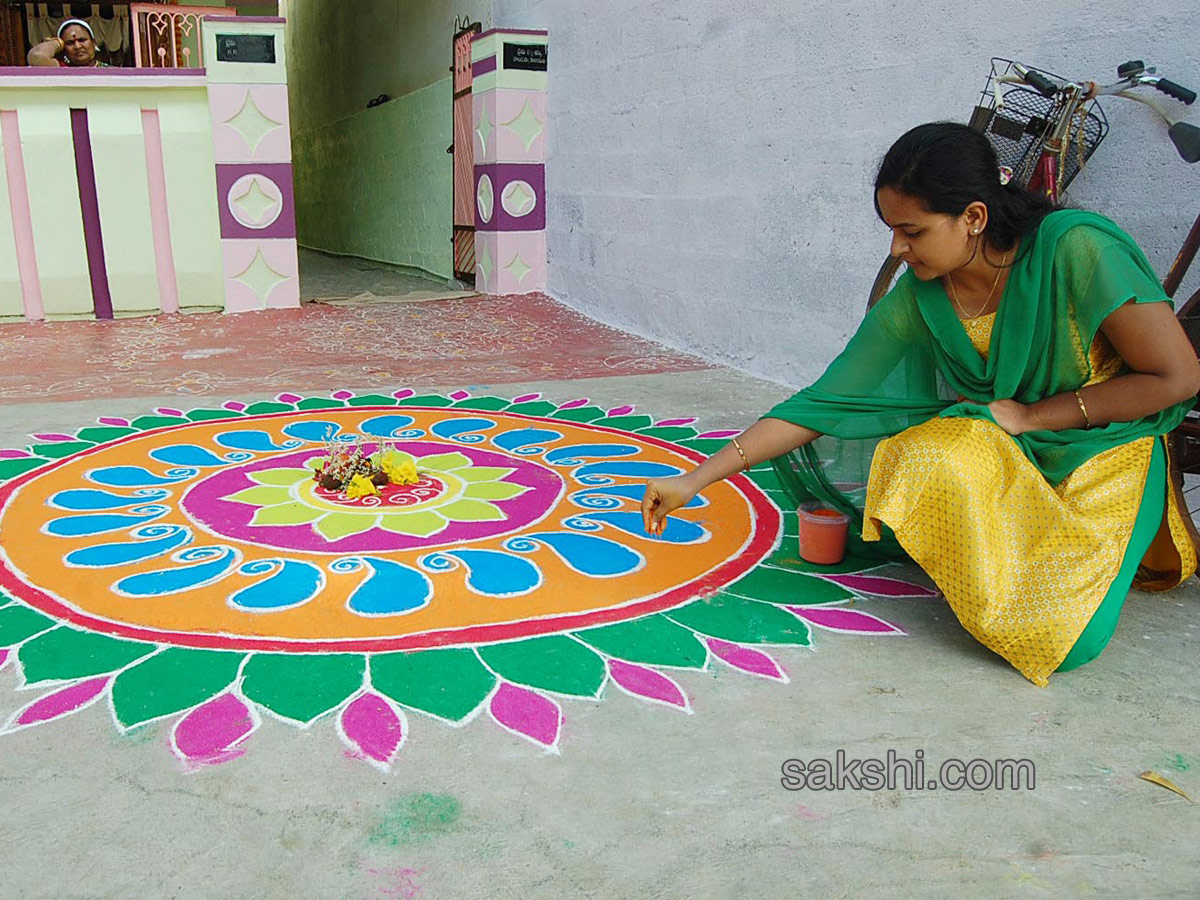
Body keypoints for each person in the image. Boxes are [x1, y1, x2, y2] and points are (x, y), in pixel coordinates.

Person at [641, 121, 1200, 686]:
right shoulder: (926, 292)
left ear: (974, 218)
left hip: (1101, 445)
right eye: (891, 230)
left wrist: (1032, 415)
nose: (897, 249)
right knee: (923, 454)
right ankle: (1007, 584)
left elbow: (1176, 378)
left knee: (1067, 642)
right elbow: (823, 402)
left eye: (912, 230)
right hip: (1007, 447)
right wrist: (696, 478)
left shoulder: (1078, 249)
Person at [27, 19, 108, 68]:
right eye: (70, 43)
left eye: (82, 40)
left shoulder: (111, 71)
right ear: (64, 49)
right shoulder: (61, 69)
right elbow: (36, 56)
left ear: (93, 43)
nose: (77, 46)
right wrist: (58, 42)